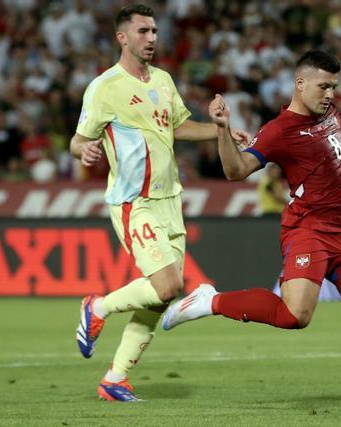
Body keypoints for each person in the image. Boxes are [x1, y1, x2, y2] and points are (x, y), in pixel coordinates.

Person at [162, 50, 341, 415]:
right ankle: (210, 301)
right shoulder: (279, 131)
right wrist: (222, 129)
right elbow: (236, 171)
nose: (330, 93)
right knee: (294, 315)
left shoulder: (330, 113)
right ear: (300, 84)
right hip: (309, 231)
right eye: (323, 86)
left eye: (334, 86)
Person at [70, 4, 249, 402]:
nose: (152, 38)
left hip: (171, 200)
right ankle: (98, 308)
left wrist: (220, 129)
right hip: (136, 201)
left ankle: (114, 379)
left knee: (160, 296)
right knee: (169, 284)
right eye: (143, 31)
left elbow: (178, 125)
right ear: (122, 37)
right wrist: (84, 150)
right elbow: (79, 137)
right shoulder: (104, 87)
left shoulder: (164, 80)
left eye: (154, 31)